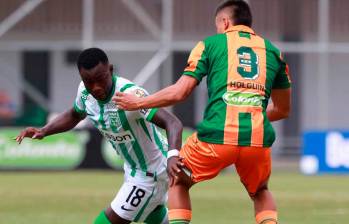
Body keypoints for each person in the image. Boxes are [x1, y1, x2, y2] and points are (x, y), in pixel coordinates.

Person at [113, 0, 291, 223]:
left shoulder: (210, 44)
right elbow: (283, 109)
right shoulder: (275, 53)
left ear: (225, 22)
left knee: (178, 178)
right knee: (261, 191)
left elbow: (180, 92)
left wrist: (138, 102)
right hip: (257, 139)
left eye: (217, 25)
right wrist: (251, 114)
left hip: (216, 137)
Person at [15, 48, 183, 224]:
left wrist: (173, 156)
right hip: (134, 170)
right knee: (153, 215)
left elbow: (173, 123)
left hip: (153, 173)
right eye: (88, 81)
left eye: (101, 79)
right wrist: (44, 130)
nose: (96, 87)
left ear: (110, 70)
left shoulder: (129, 94)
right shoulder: (85, 92)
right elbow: (75, 115)